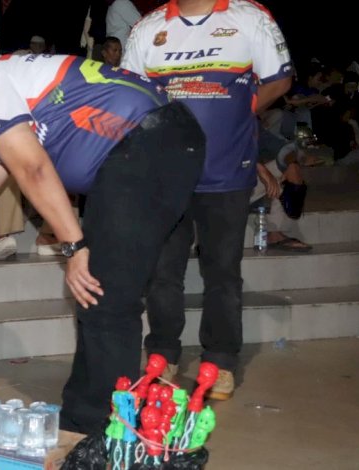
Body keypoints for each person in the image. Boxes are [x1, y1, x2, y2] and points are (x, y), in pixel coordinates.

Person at [0, 35, 206, 433]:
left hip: (146, 144)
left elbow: (34, 170)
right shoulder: (3, 83)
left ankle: (98, 431)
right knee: (102, 298)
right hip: (167, 140)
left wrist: (74, 245)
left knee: (102, 294)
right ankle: (86, 414)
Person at [123, 0, 294, 401]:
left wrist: (239, 112)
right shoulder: (147, 28)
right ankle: (161, 356)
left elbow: (279, 80)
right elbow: (130, 95)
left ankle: (220, 360)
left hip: (228, 170)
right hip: (165, 175)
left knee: (223, 273)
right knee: (163, 274)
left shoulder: (249, 17)